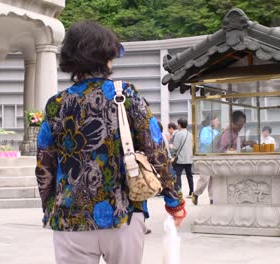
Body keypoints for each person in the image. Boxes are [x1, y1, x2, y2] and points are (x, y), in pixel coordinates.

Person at [35, 21, 186, 264]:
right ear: (106, 56)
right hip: (123, 214)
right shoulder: (126, 95)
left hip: (70, 219)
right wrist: (174, 201)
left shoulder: (56, 104)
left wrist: (50, 206)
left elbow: (44, 165)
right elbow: (156, 148)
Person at [170, 118, 193, 196]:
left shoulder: (178, 134)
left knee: (178, 174)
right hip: (189, 159)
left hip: (180, 159)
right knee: (189, 175)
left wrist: (170, 146)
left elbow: (175, 147)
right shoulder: (190, 134)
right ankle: (191, 192)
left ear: (179, 125)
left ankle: (179, 192)